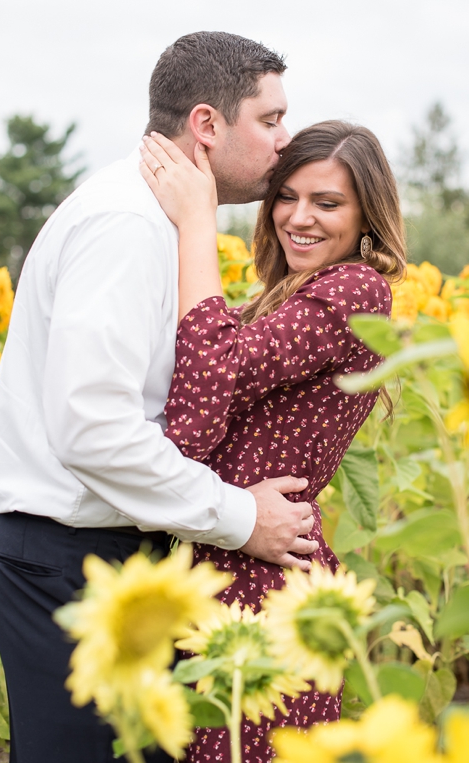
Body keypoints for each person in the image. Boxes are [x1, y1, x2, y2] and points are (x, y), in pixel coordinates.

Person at [0, 32, 317, 763]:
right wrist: (241, 516)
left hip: (106, 553)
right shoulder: (127, 225)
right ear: (207, 126)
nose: (287, 139)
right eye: (271, 119)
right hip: (64, 560)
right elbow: (94, 429)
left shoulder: (159, 219)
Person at [139, 120, 405, 762]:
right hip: (233, 561)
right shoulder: (287, 296)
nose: (300, 218)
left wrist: (198, 225)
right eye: (286, 196)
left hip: (262, 582)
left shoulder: (353, 289)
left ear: (367, 214)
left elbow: (198, 410)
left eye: (328, 202)